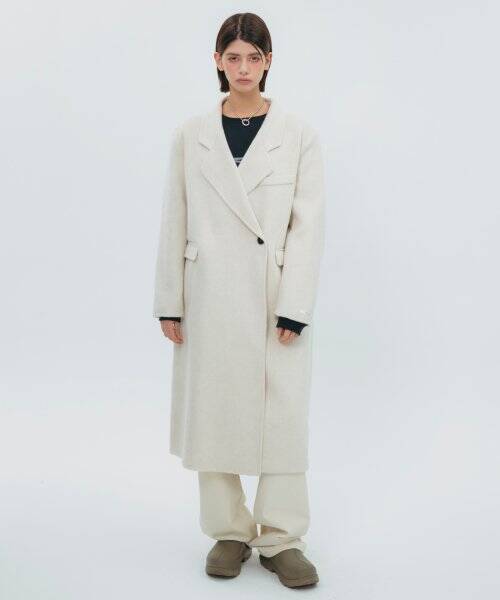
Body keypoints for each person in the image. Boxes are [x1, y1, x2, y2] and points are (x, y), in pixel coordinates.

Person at [153, 12, 326, 589]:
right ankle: (228, 531)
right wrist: (170, 301)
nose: (244, 68)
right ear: (217, 61)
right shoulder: (191, 134)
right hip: (209, 295)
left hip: (273, 297)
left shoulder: (297, 134)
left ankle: (281, 538)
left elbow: (308, 227)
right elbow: (174, 217)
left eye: (254, 57)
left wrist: (296, 305)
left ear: (269, 61)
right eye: (234, 57)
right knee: (214, 412)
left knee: (282, 416)